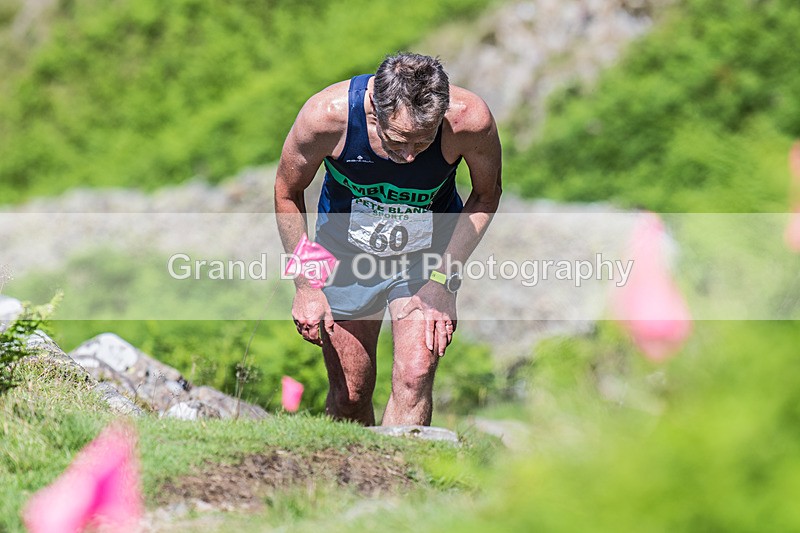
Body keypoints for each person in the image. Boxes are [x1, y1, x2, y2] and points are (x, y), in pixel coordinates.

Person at [275, 52, 502, 426]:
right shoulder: (327, 117)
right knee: (350, 394)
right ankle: (351, 465)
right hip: (345, 254)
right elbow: (287, 192)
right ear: (374, 112)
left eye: (423, 142)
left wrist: (443, 282)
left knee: (415, 377)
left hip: (426, 256)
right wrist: (306, 285)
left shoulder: (468, 120)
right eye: (398, 141)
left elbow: (486, 195)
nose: (410, 157)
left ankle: (404, 466)